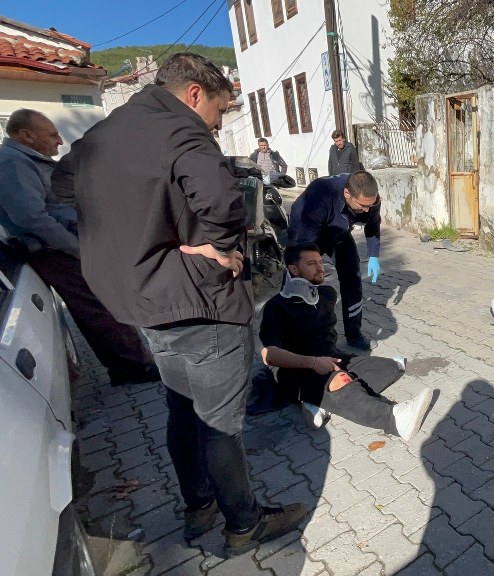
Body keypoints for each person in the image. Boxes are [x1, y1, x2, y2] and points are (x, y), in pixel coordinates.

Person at [51, 53, 307, 556]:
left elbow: (61, 187)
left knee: (181, 409)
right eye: (219, 110)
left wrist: (137, 235)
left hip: (142, 304)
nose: (217, 124)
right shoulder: (183, 133)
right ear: (194, 94)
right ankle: (244, 523)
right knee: (220, 423)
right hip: (200, 302)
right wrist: (216, 249)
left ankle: (199, 506)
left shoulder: (106, 132)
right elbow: (224, 206)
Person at [0, 109, 158, 386]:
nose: (59, 141)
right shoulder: (13, 163)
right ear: (26, 136)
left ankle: (130, 364)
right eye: (52, 135)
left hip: (63, 246)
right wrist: (75, 247)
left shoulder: (25, 160)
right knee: (98, 306)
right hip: (54, 251)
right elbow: (31, 217)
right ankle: (133, 368)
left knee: (100, 304)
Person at [257, 243, 434, 436]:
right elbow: (269, 356)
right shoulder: (276, 307)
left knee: (393, 367)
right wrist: (314, 363)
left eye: (320, 262)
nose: (320, 267)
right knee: (339, 381)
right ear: (293, 269)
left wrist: (326, 362)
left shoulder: (326, 295)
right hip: (296, 370)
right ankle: (394, 418)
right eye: (311, 263)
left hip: (330, 358)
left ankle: (319, 400)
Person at [287, 171, 381, 351]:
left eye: (371, 205)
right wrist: (311, 265)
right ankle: (293, 330)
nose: (367, 210)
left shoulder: (370, 198)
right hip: (305, 230)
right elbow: (307, 240)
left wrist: (374, 255)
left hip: (338, 230)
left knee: (352, 279)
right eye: (362, 206)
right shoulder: (321, 195)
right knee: (299, 279)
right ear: (347, 194)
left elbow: (373, 224)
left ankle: (354, 334)